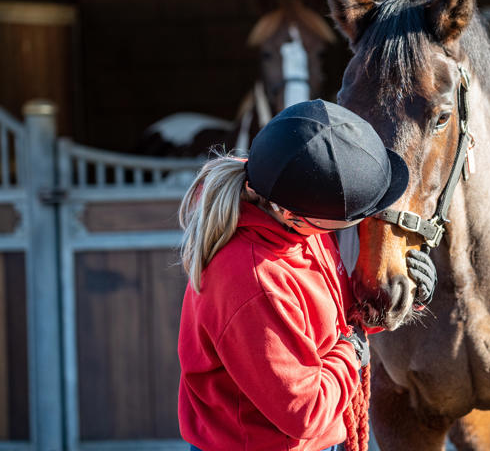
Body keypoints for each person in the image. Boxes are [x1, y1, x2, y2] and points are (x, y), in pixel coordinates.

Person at [177, 99, 436, 451]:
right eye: (356, 216)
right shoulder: (253, 279)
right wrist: (351, 352)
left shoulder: (299, 226)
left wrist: (400, 299)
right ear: (292, 214)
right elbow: (305, 410)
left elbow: (332, 321)